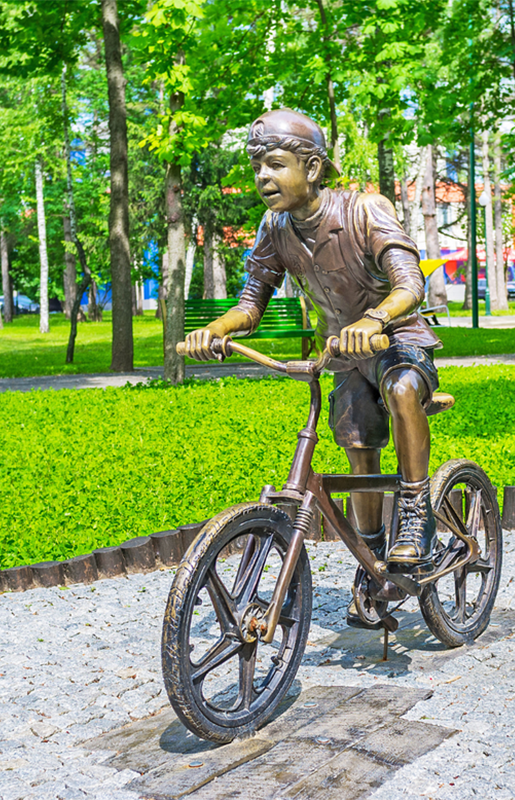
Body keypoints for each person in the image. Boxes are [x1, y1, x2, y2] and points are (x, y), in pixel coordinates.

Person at [182, 109, 442, 627]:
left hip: (397, 336)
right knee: (356, 444)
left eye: (275, 165)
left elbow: (410, 285)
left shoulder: (366, 210)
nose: (263, 178)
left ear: (314, 168)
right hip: (343, 353)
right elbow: (252, 300)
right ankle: (370, 564)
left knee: (404, 388)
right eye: (257, 167)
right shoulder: (275, 227)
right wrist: (219, 329)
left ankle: (416, 511)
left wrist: (374, 319)